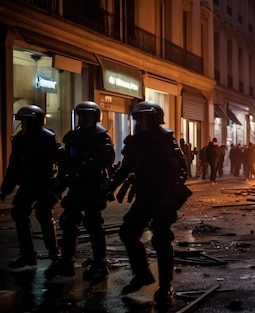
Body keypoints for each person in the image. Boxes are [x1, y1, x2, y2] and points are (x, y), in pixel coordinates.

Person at [104, 101, 192, 304]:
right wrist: (108, 186)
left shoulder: (165, 139)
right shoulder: (135, 143)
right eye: (138, 118)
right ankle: (142, 274)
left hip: (163, 197)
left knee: (161, 239)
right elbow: (124, 169)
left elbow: (181, 169)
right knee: (128, 232)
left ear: (153, 119)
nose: (140, 122)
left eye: (143, 118)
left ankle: (165, 285)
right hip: (145, 196)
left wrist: (172, 193)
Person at [45, 101, 115, 281]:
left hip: (93, 184)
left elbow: (108, 158)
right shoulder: (73, 137)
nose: (83, 119)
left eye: (87, 116)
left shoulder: (101, 136)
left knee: (93, 223)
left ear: (95, 116)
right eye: (81, 115)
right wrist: (60, 184)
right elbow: (67, 162)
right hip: (76, 184)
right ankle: (66, 261)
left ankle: (100, 263)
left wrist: (85, 165)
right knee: (68, 221)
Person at [0, 104, 62, 268]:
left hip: (44, 183)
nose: (23, 125)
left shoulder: (47, 138)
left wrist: (59, 186)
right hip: (28, 183)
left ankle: (54, 251)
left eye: (26, 121)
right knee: (19, 213)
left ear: (34, 122)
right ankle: (27, 254)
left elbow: (61, 160)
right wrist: (5, 189)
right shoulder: (20, 139)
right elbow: (13, 166)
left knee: (44, 214)